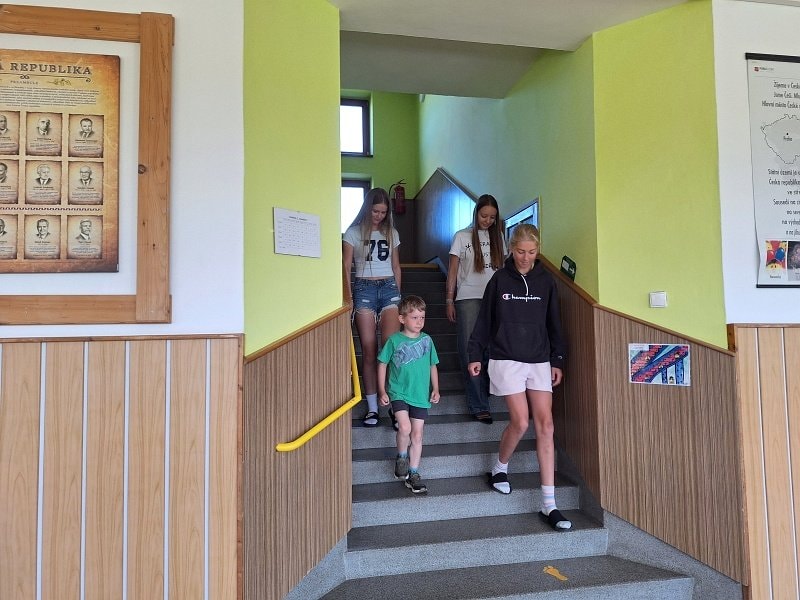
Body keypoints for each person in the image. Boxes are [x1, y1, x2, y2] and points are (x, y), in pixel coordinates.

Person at [467, 224, 571, 531]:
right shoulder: (500, 280)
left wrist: (557, 359)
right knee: (521, 421)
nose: (526, 257)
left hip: (539, 359)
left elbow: (554, 324)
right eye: (521, 251)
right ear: (511, 249)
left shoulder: (546, 282)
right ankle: (500, 468)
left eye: (532, 252)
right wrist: (475, 354)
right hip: (506, 358)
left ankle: (549, 504)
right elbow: (484, 321)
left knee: (546, 425)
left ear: (538, 251)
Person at [342, 187, 402, 427]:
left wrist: (399, 295)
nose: (379, 216)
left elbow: (396, 266)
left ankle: (395, 407)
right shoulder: (353, 232)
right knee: (369, 350)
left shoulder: (391, 232)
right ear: (367, 208)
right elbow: (345, 266)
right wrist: (348, 298)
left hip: (389, 288)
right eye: (376, 211)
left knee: (391, 350)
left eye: (383, 212)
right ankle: (373, 408)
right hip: (363, 288)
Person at [446, 194, 506, 423]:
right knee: (470, 352)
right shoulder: (461, 236)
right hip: (468, 298)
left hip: (495, 299)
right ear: (476, 213)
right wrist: (449, 300)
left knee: (492, 350)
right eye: (484, 215)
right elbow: (452, 271)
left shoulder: (498, 237)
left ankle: (486, 391)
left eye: (492, 217)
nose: (488, 220)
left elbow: (503, 271)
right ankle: (478, 404)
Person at [377, 295, 440, 494]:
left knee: (417, 434)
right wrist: (382, 390)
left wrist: (436, 388)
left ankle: (413, 473)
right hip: (399, 393)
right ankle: (402, 457)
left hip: (420, 395)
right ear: (402, 319)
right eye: (414, 317)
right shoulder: (394, 341)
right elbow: (382, 364)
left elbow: (432, 365)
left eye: (422, 317)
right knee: (404, 428)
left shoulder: (427, 340)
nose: (419, 322)